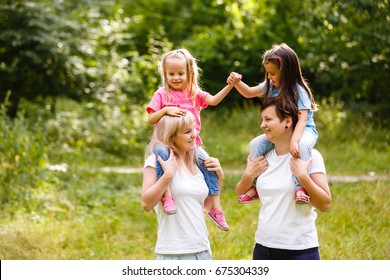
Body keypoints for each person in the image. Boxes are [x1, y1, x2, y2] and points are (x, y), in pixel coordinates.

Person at [146, 48, 236, 230]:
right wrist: (165, 110)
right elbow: (150, 118)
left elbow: (214, 101)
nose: (176, 77)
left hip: (191, 143)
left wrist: (230, 85)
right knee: (162, 157)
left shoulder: (193, 93)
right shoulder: (162, 94)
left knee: (208, 164)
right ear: (165, 74)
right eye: (171, 74)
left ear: (190, 73)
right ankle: (166, 196)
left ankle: (215, 208)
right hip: (165, 141)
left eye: (181, 73)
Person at [236, 98, 331, 260]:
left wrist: (303, 177)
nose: (262, 125)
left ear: (287, 121)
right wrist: (248, 175)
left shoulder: (311, 157)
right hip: (263, 248)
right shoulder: (262, 157)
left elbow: (325, 204)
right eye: (262, 120)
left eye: (268, 119)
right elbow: (240, 192)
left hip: (300, 250)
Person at [228, 43, 317, 204]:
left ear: (286, 72)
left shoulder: (299, 91)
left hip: (303, 130)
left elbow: (302, 119)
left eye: (273, 73)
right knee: (255, 145)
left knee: (302, 146)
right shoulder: (271, 86)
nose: (269, 77)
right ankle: (255, 186)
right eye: (267, 73)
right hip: (281, 131)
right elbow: (248, 92)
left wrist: (294, 141)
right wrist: (236, 83)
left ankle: (299, 188)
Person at [141, 112, 224, 260]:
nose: (194, 135)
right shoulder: (156, 162)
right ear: (171, 137)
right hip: (172, 254)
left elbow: (205, 206)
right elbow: (146, 203)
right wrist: (167, 176)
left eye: (194, 129)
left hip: (203, 252)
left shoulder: (198, 166)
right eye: (187, 132)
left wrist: (220, 177)